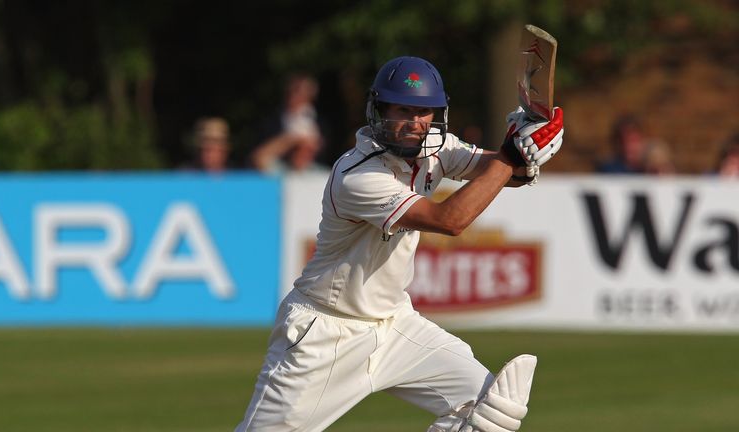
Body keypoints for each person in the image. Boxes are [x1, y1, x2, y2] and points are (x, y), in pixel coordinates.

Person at [236, 56, 564, 432]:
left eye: (425, 112)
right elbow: (450, 220)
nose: (415, 122)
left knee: (491, 408)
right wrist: (510, 156)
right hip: (326, 333)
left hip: (395, 326)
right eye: (404, 110)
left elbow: (502, 172)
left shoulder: (434, 149)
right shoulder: (357, 174)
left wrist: (529, 144)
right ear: (379, 111)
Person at [250, 73, 329, 174]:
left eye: (304, 93)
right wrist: (290, 139)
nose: (296, 97)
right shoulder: (271, 121)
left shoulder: (320, 123)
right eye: (295, 91)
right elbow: (258, 158)